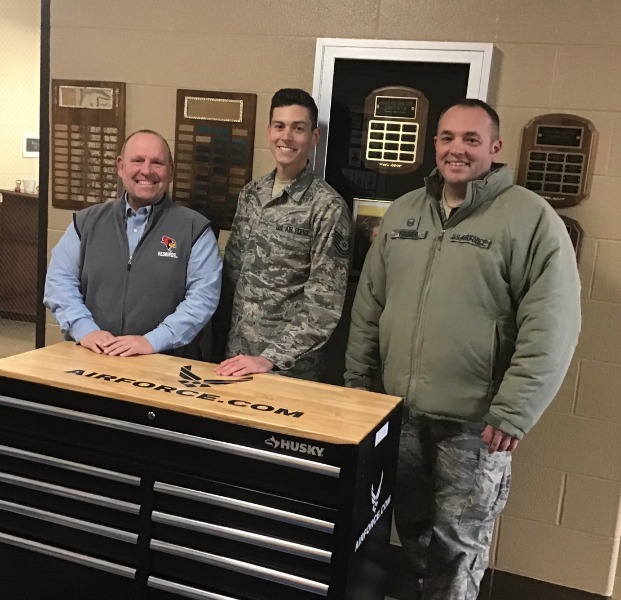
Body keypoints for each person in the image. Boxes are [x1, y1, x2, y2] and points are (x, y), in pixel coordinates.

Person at [344, 99, 581, 599]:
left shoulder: (530, 219)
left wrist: (514, 411)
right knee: (409, 534)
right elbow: (370, 304)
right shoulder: (406, 211)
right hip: (401, 414)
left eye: (471, 140)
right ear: (434, 144)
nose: (457, 149)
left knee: (459, 546)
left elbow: (551, 325)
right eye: (448, 137)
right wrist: (358, 388)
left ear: (494, 148)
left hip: (476, 425)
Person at [44, 129, 222, 359]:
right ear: (120, 166)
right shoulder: (86, 222)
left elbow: (203, 298)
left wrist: (153, 341)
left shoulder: (195, 229)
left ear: (171, 172)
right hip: (94, 358)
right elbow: (60, 282)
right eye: (137, 160)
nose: (146, 170)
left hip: (166, 364)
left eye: (157, 162)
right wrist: (85, 330)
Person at [213, 88, 351, 381]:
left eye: (298, 128)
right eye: (280, 126)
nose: (286, 136)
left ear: (314, 137)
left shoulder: (327, 207)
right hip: (234, 359)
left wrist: (268, 359)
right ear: (269, 131)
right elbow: (232, 280)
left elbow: (324, 306)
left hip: (289, 369)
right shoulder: (252, 194)